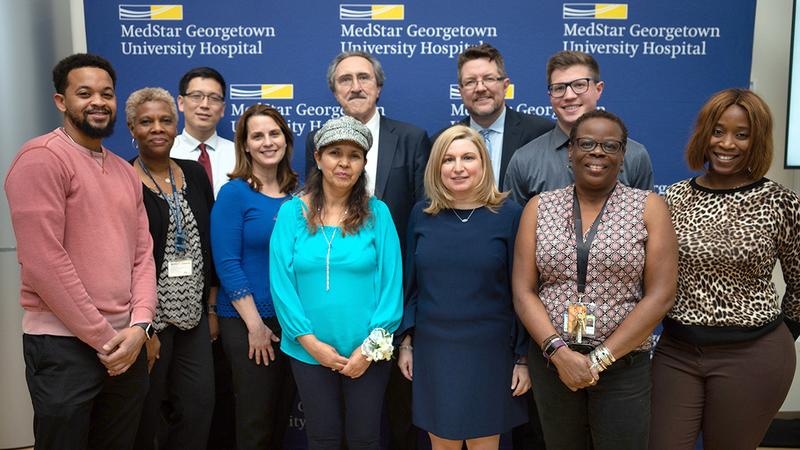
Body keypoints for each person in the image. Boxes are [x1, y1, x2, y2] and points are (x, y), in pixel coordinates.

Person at [4, 53, 156, 450]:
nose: (98, 102)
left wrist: (140, 326)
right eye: (84, 92)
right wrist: (105, 338)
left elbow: (143, 255)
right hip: (65, 347)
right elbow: (43, 263)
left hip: (126, 344)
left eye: (106, 93)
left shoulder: (125, 171)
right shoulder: (41, 159)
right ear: (61, 101)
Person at [512, 110, 677, 450]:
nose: (597, 152)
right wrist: (559, 354)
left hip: (623, 366)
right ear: (570, 151)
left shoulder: (649, 207)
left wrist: (599, 359)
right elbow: (524, 290)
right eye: (586, 143)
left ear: (623, 154)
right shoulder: (539, 207)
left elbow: (660, 295)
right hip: (553, 364)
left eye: (609, 145)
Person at [649, 88, 800, 450]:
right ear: (704, 134)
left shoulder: (780, 202)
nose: (727, 143)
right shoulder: (673, 198)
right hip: (677, 351)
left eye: (741, 134)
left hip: (752, 356)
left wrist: (775, 338)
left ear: (757, 140)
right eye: (718, 131)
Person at [305, 50, 430, 449]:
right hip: (337, 306)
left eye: (363, 78)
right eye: (345, 79)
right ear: (334, 90)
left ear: (378, 86)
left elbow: (423, 213)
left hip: (397, 291)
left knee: (396, 412)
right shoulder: (315, 142)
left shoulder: (410, 138)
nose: (355, 86)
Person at [272, 115, 403, 449]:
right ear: (318, 158)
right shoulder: (291, 213)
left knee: (364, 438)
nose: (344, 162)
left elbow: (391, 289)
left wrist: (369, 349)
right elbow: (282, 286)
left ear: (363, 162)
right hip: (308, 350)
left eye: (354, 155)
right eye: (335, 153)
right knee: (322, 437)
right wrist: (311, 344)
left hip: (368, 351)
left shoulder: (379, 213)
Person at [397, 125, 530, 450]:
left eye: (468, 157)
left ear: (483, 163)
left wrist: (523, 359)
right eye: (448, 159)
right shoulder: (422, 214)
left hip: (491, 352)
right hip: (435, 351)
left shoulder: (510, 215)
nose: (458, 167)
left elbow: (523, 292)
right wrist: (406, 343)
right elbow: (411, 285)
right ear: (436, 167)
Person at [126, 87, 216, 449]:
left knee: (199, 407)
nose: (157, 128)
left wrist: (210, 306)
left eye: (165, 120)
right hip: (150, 320)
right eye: (146, 122)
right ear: (132, 128)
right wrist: (141, 327)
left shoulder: (194, 174)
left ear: (176, 125)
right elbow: (124, 257)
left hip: (193, 317)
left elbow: (208, 243)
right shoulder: (123, 177)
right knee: (146, 413)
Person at [211, 104, 298, 449]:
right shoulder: (234, 193)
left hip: (290, 323)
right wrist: (255, 326)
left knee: (279, 420)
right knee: (254, 423)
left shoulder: (298, 195)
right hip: (248, 323)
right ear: (245, 145)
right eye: (257, 135)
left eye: (274, 133)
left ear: (286, 140)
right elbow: (228, 263)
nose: (267, 142)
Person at [504, 51, 654, 205]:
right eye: (559, 88)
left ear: (599, 89)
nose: (569, 95)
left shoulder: (635, 156)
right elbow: (515, 226)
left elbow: (646, 220)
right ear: (550, 94)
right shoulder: (524, 160)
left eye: (579, 85)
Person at [440, 43, 553, 188]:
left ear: (505, 86)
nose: (480, 88)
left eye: (489, 79)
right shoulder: (442, 142)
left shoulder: (540, 133)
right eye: (470, 82)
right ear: (460, 91)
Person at [171, 66, 235, 197]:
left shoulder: (239, 156)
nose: (205, 105)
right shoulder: (167, 153)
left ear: (222, 108)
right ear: (181, 103)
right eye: (196, 96)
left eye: (214, 98)